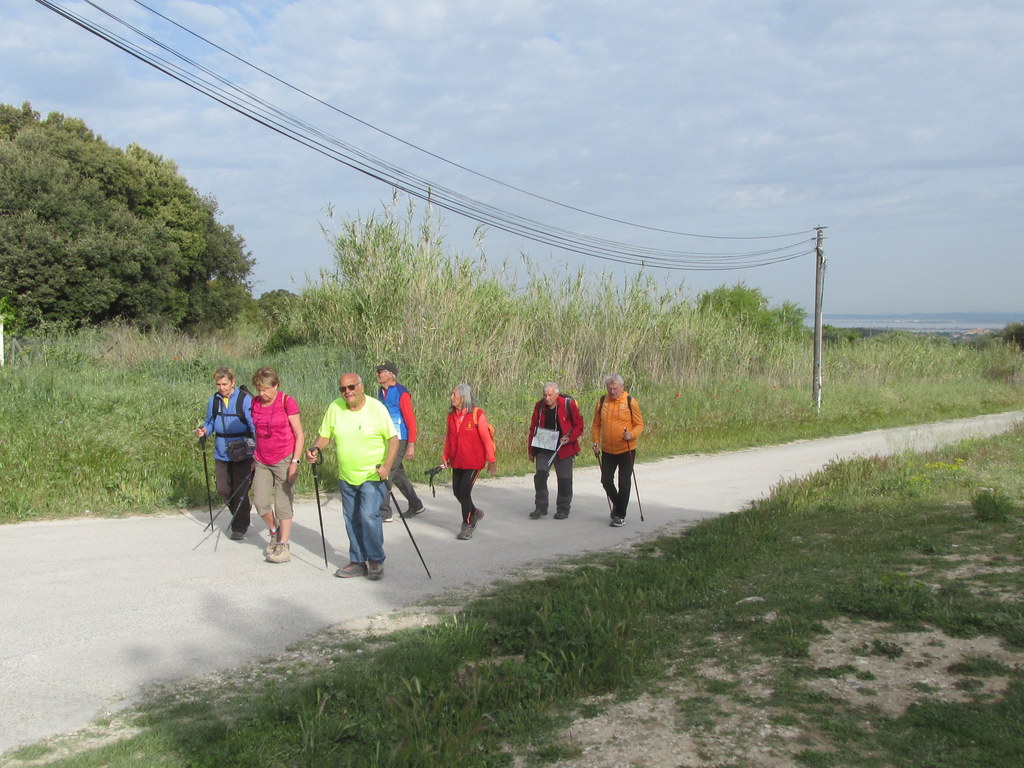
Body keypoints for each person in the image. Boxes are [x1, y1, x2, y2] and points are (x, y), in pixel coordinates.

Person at [308, 373, 398, 580]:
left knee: (368, 516)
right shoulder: (335, 407)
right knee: (352, 519)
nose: (347, 392)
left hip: (372, 475)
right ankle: (357, 561)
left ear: (361, 387)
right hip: (347, 476)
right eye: (343, 389)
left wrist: (387, 466)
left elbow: (393, 440)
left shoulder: (377, 408)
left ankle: (375, 560)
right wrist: (315, 448)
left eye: (351, 387)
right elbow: (325, 435)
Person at [250, 367, 304, 563]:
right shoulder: (255, 403)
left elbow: (299, 434)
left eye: (265, 389)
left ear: (276, 385)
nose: (261, 394)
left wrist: (295, 462)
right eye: (259, 389)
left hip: (284, 458)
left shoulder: (286, 401)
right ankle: (274, 530)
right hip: (262, 459)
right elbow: (256, 430)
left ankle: (283, 544)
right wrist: (254, 457)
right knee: (260, 503)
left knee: (283, 504)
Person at [195, 367, 256, 540]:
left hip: (243, 451)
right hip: (222, 451)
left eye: (224, 384)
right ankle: (242, 511)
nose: (221, 388)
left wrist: (258, 449)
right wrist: (204, 431)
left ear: (233, 382)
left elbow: (253, 426)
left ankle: (239, 527)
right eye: (218, 384)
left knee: (240, 490)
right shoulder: (214, 400)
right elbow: (210, 422)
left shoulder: (244, 400)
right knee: (223, 489)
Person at [441, 383, 497, 540]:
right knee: (457, 492)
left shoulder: (477, 414)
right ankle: (475, 512)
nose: (451, 397)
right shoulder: (451, 416)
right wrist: (445, 456)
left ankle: (467, 525)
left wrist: (491, 460)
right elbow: (449, 437)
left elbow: (486, 439)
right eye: (452, 394)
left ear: (463, 397)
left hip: (474, 461)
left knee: (464, 491)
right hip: (457, 460)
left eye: (454, 394)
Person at [591, 373, 644, 528]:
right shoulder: (602, 401)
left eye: (615, 388)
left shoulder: (630, 402)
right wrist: (595, 441)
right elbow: (596, 425)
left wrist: (631, 434)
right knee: (606, 480)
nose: (612, 391)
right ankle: (619, 506)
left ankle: (620, 515)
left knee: (624, 482)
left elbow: (640, 425)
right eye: (609, 388)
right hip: (608, 449)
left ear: (622, 387)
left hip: (626, 448)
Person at [374, 361, 425, 521]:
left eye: (380, 372)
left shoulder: (402, 393)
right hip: (386, 438)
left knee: (387, 471)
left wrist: (411, 444)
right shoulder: (380, 392)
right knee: (398, 475)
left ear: (390, 374)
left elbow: (410, 420)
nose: (377, 375)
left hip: (400, 438)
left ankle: (384, 512)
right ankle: (416, 505)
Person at [527, 382, 584, 520]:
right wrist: (531, 449)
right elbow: (533, 427)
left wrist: (570, 438)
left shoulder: (567, 404)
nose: (547, 398)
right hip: (544, 446)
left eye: (550, 395)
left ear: (557, 394)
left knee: (564, 479)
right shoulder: (539, 406)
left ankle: (563, 509)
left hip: (563, 447)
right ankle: (540, 507)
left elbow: (579, 425)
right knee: (540, 476)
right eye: (545, 395)